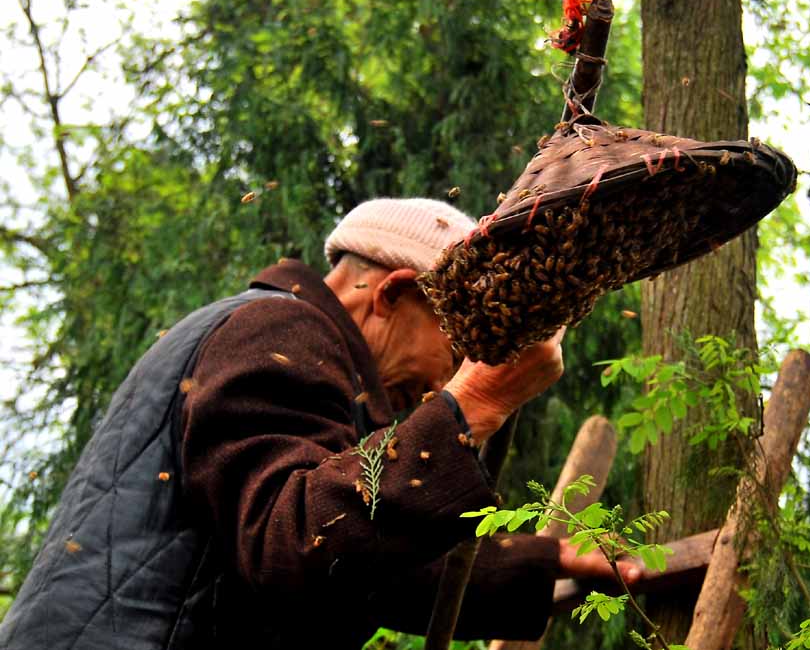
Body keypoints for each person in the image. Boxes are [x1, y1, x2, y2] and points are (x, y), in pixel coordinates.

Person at [0, 197, 640, 650]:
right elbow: (292, 544)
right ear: (390, 294)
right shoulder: (281, 327)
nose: (445, 377)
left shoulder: (284, 341)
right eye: (455, 345)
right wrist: (472, 402)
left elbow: (355, 568)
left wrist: (542, 561)